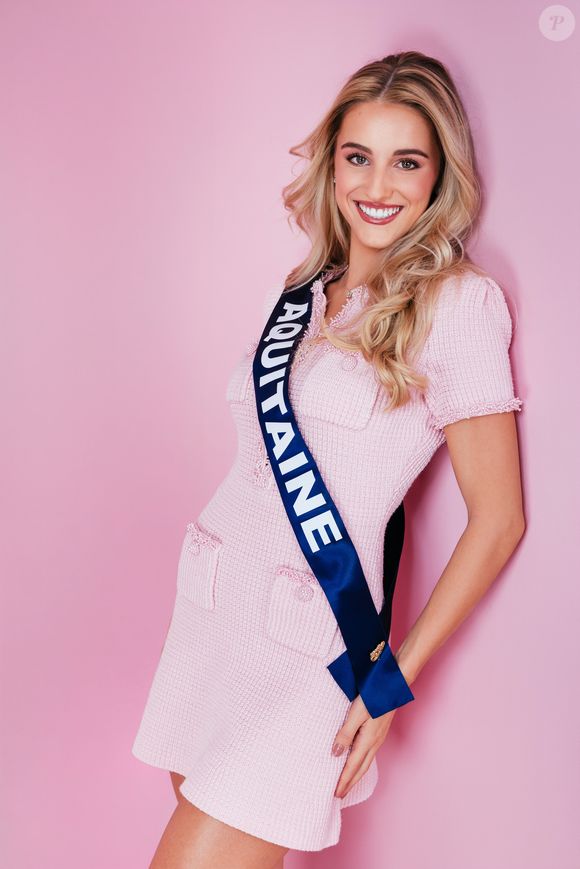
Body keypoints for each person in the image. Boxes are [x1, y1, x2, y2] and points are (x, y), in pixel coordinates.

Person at [131, 50, 525, 868]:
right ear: (334, 164)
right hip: (214, 622)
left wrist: (390, 681)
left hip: (307, 653)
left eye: (406, 161)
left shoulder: (457, 303)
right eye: (358, 157)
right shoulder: (307, 290)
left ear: (438, 175)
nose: (377, 185)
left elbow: (498, 520)